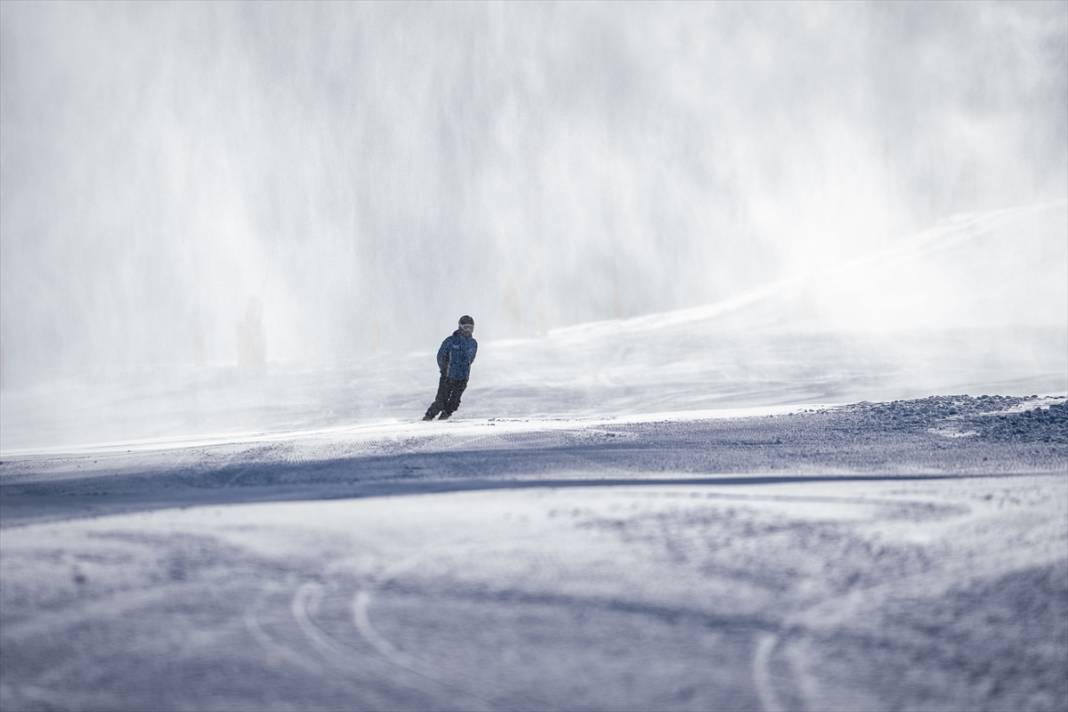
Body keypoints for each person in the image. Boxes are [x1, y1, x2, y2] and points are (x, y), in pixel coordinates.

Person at [423, 315, 478, 421]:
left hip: (462, 378)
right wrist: (445, 369)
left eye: (470, 328)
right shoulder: (451, 341)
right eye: (466, 327)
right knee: (441, 401)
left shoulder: (473, 343)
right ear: (460, 327)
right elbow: (440, 356)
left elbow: (471, 359)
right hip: (448, 377)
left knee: (454, 403)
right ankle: (428, 417)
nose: (468, 330)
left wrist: (464, 369)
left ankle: (443, 418)